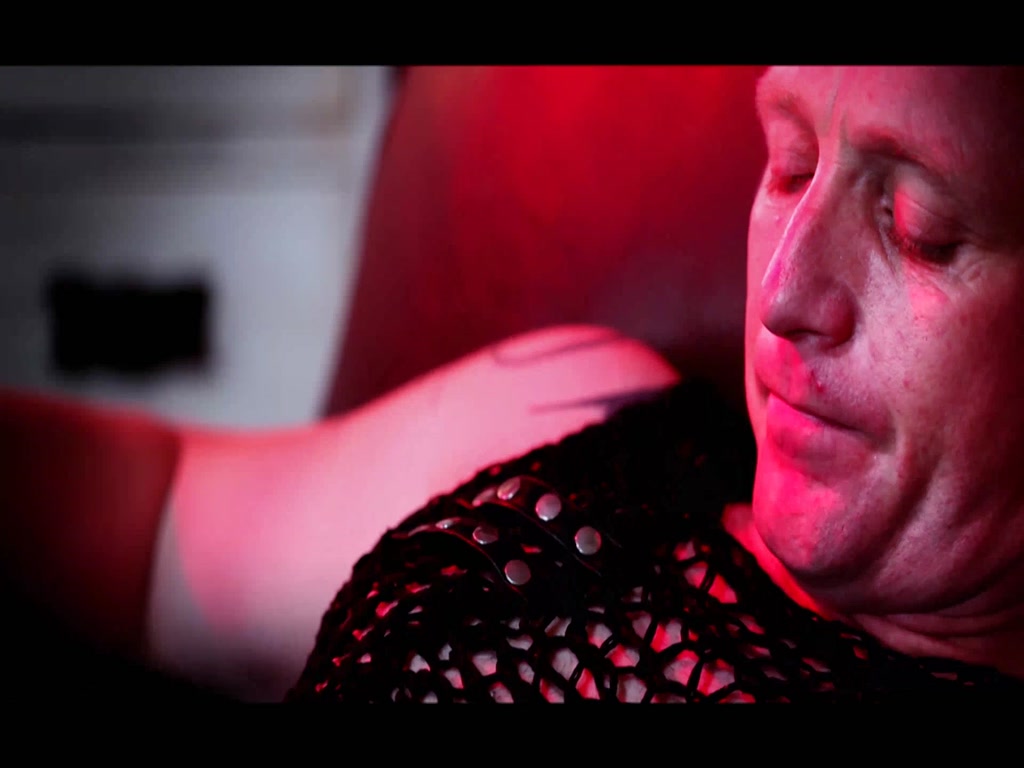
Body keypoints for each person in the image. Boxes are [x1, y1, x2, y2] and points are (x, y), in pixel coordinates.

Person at [4, 65, 1024, 702]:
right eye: (789, 164)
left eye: (917, 232)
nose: (783, 294)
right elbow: (156, 524)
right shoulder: (577, 426)